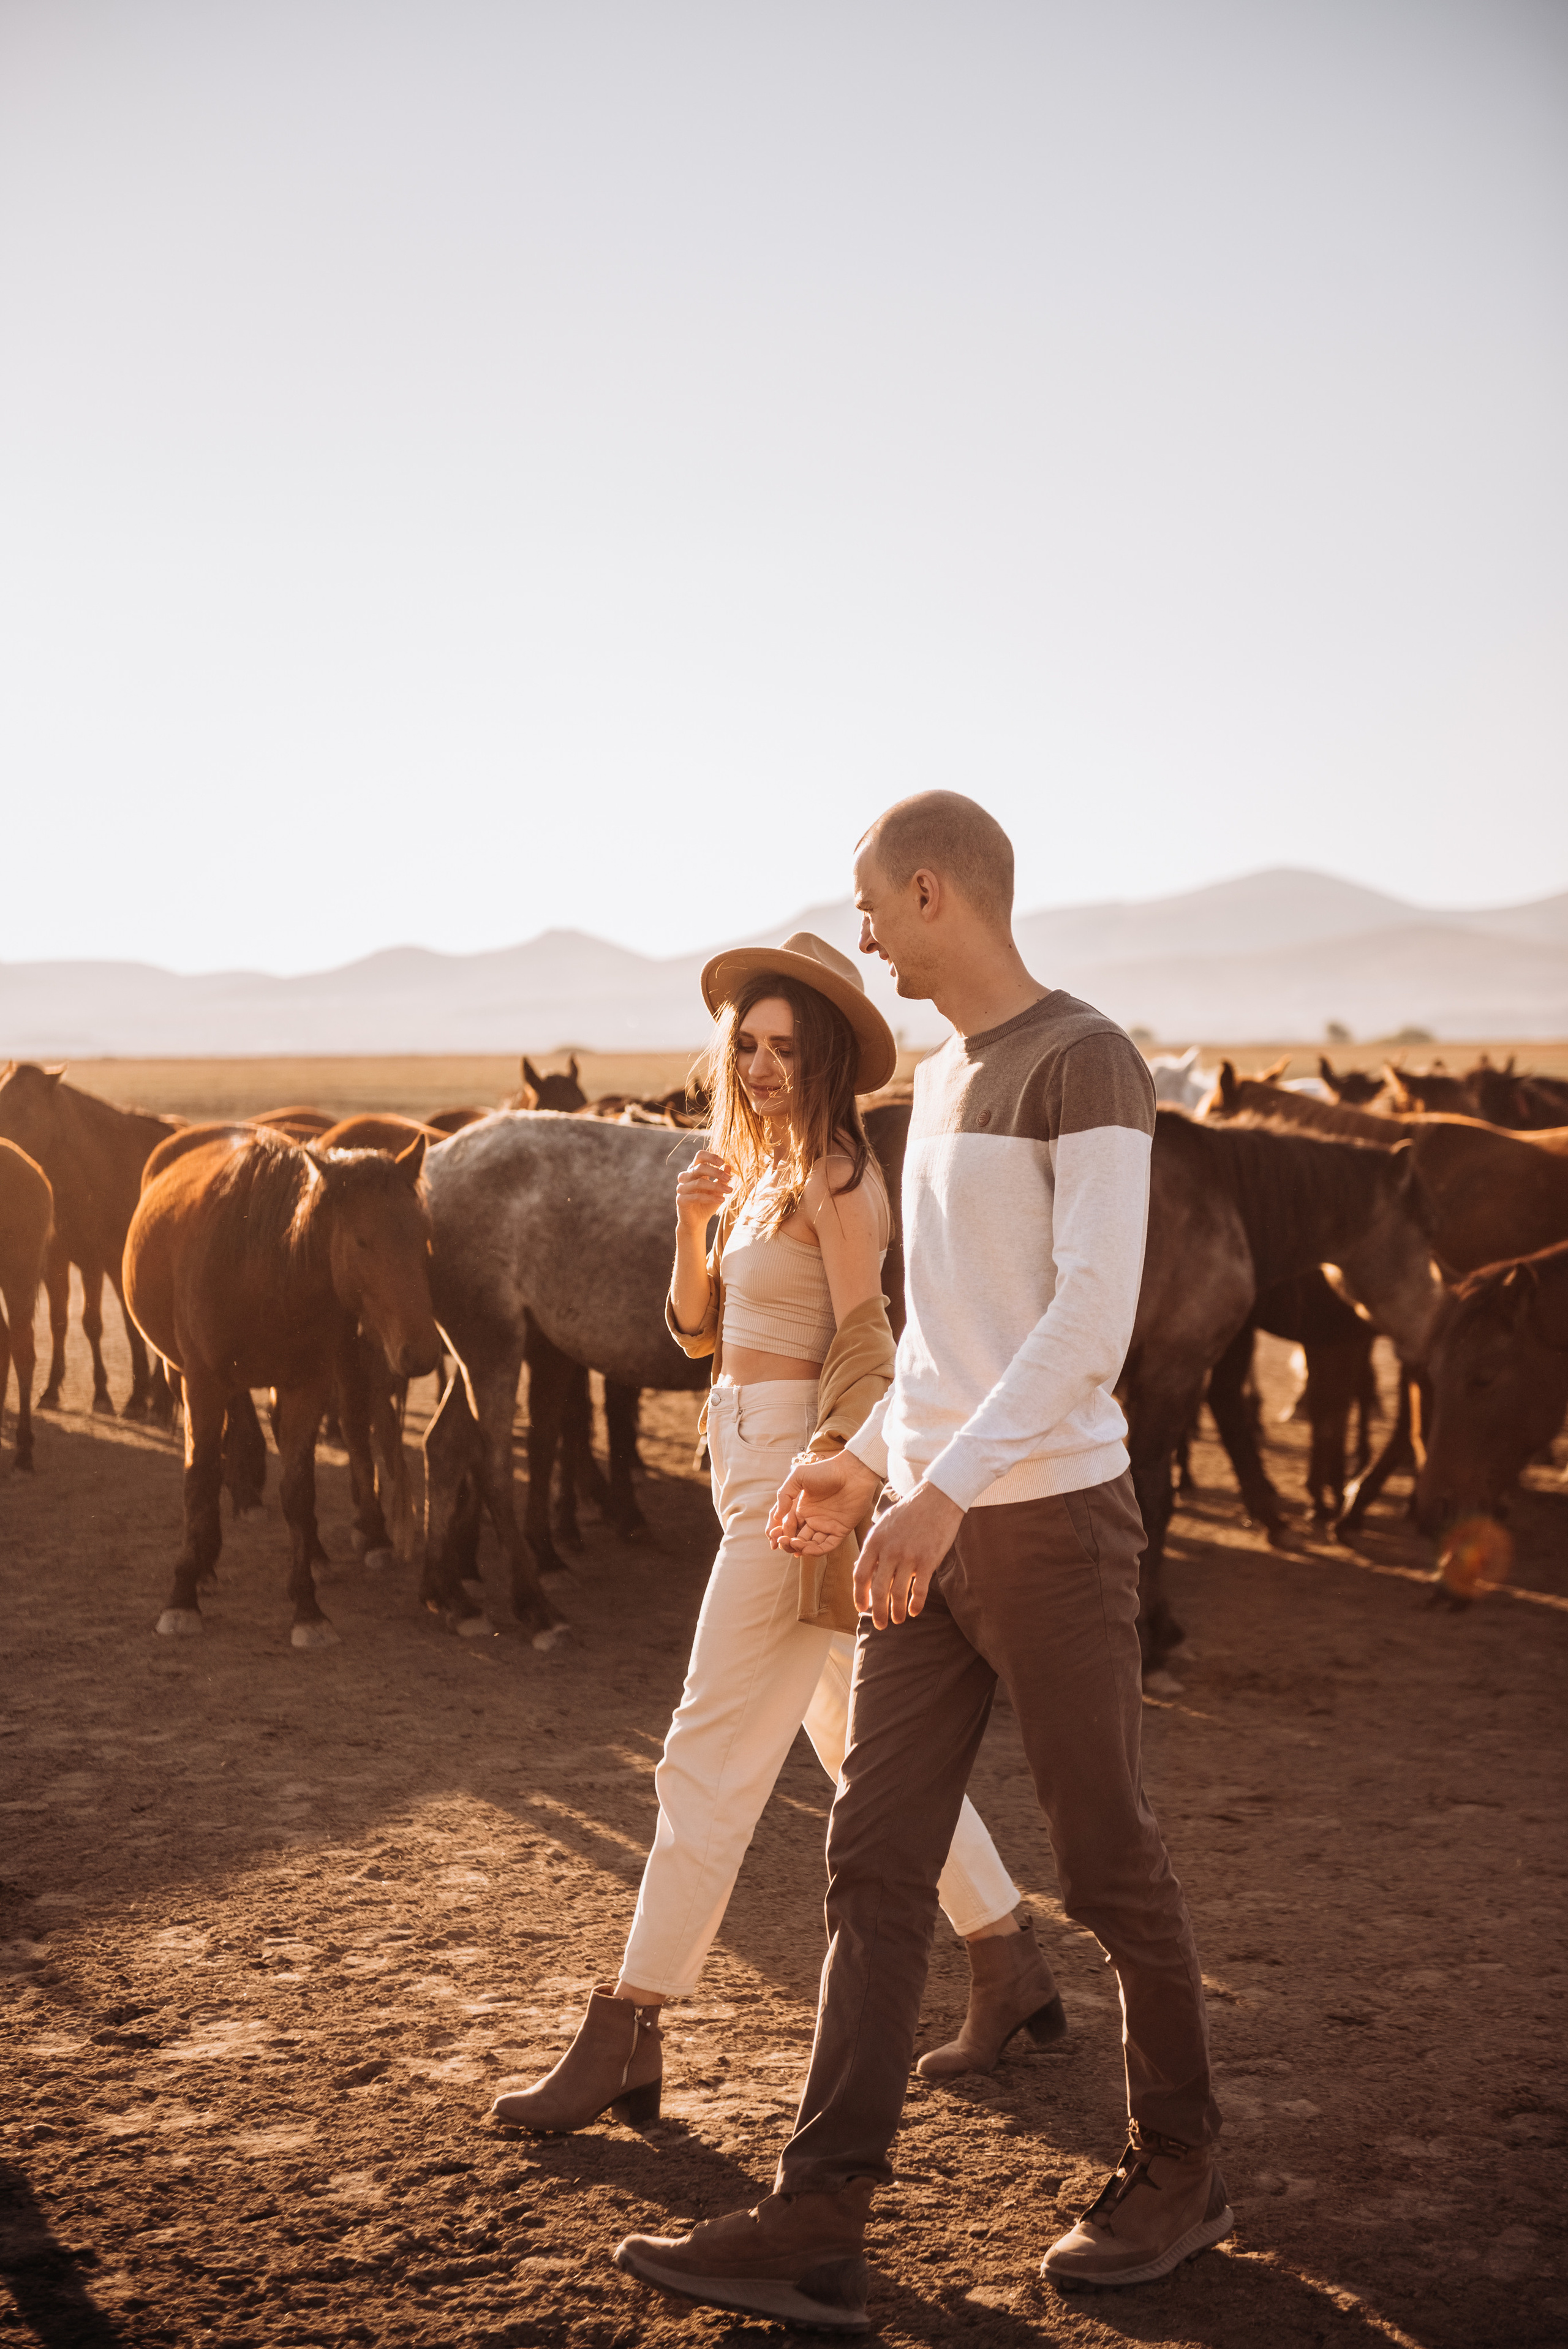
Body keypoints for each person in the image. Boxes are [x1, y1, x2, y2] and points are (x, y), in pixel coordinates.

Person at [613, 796, 1229, 2329]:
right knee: (871, 1855)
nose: (865, 935)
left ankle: (1180, 2168)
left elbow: (1085, 1322)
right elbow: (950, 1346)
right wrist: (861, 1459)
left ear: (933, 891)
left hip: (1050, 1526)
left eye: (873, 910)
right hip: (932, 1515)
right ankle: (817, 2210)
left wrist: (934, 1495)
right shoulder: (946, 1079)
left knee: (1106, 1863)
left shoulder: (1084, 1060)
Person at [492, 930, 1058, 2136]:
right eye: (743, 1043)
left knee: (702, 1750)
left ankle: (630, 2018)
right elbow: (692, 1333)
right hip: (737, 1460)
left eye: (782, 1049)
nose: (756, 1064)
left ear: (825, 1060)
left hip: (797, 1488)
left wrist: (835, 1473)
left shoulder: (837, 1178)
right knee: (854, 1742)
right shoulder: (747, 1173)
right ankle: (1008, 1958)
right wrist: (691, 1227)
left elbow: (873, 1337)